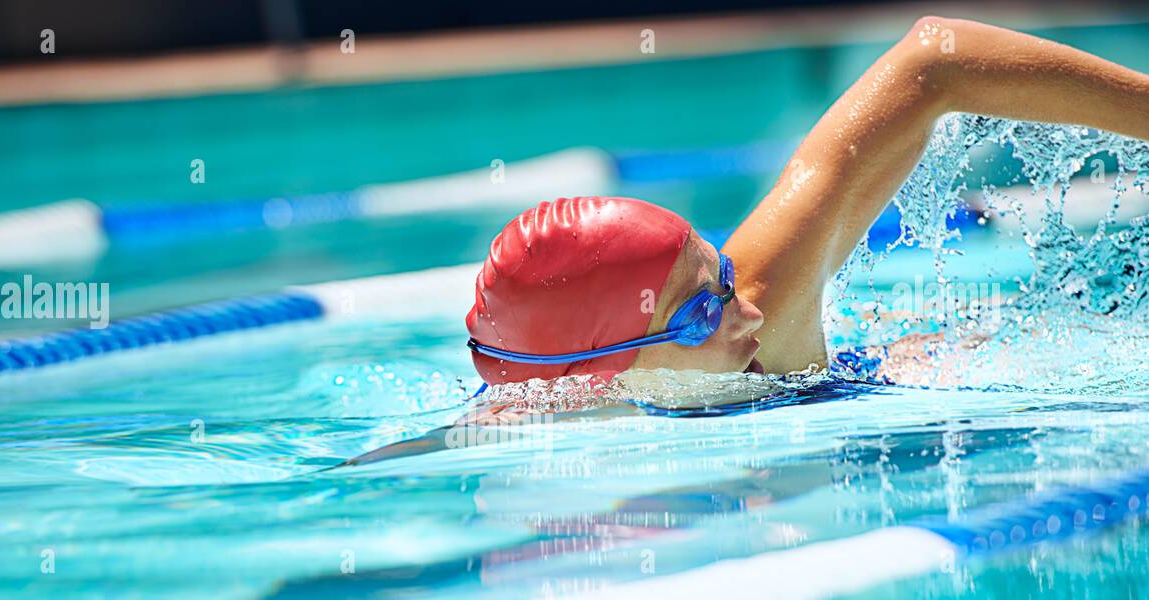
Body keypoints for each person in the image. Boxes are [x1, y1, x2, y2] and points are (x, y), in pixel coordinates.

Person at [465, 17, 1149, 386]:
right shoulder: (512, 450)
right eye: (703, 312)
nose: (752, 310)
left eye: (722, 280)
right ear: (599, 373)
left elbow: (934, 60)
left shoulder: (764, 331)